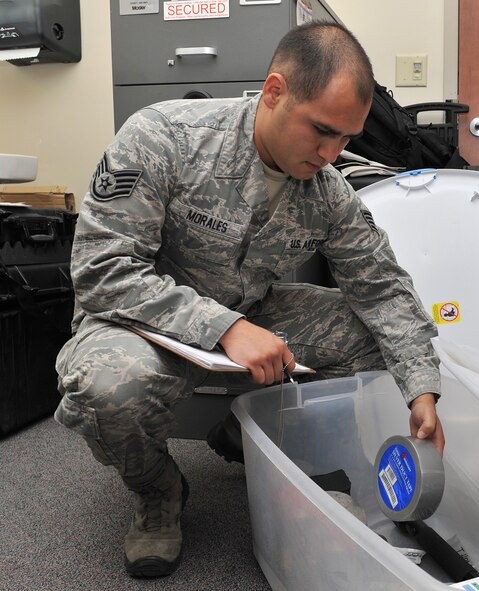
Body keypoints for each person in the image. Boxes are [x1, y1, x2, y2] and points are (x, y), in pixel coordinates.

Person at [54, 21, 444, 578]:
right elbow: (102, 269)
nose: (332, 154)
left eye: (347, 139)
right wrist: (223, 327)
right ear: (275, 92)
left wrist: (421, 389)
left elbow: (382, 287)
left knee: (374, 339)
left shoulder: (327, 188)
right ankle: (159, 492)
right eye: (322, 130)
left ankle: (245, 428)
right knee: (108, 388)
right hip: (138, 323)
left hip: (252, 310)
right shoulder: (164, 137)